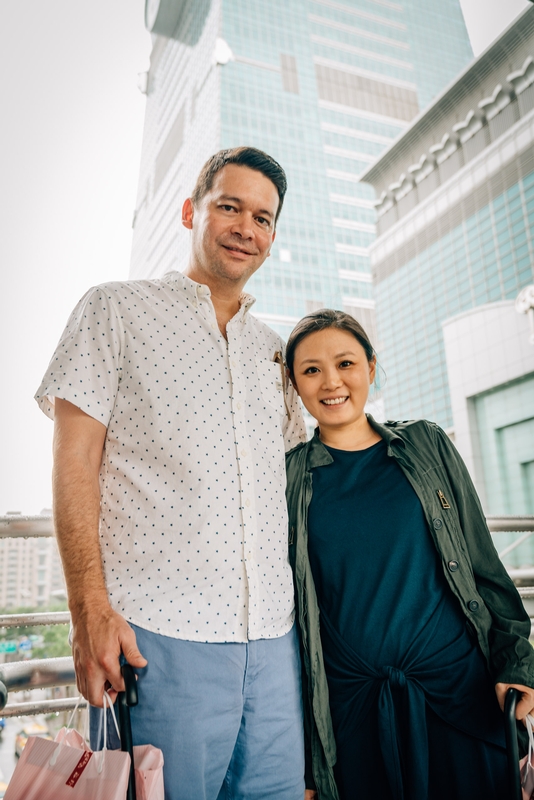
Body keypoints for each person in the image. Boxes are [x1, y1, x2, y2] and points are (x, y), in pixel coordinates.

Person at [35, 147, 308, 800]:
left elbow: (300, 486)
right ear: (192, 211)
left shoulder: (279, 353)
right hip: (155, 641)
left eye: (263, 218)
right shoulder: (113, 310)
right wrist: (87, 609)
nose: (247, 227)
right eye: (230, 207)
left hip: (276, 648)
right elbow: (73, 463)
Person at [284, 308, 534, 800]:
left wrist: (517, 664)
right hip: (353, 709)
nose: (331, 381)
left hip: (459, 691)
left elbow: (484, 566)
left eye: (346, 364)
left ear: (371, 369)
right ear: (295, 384)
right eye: (311, 369)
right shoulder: (288, 477)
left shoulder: (427, 443)